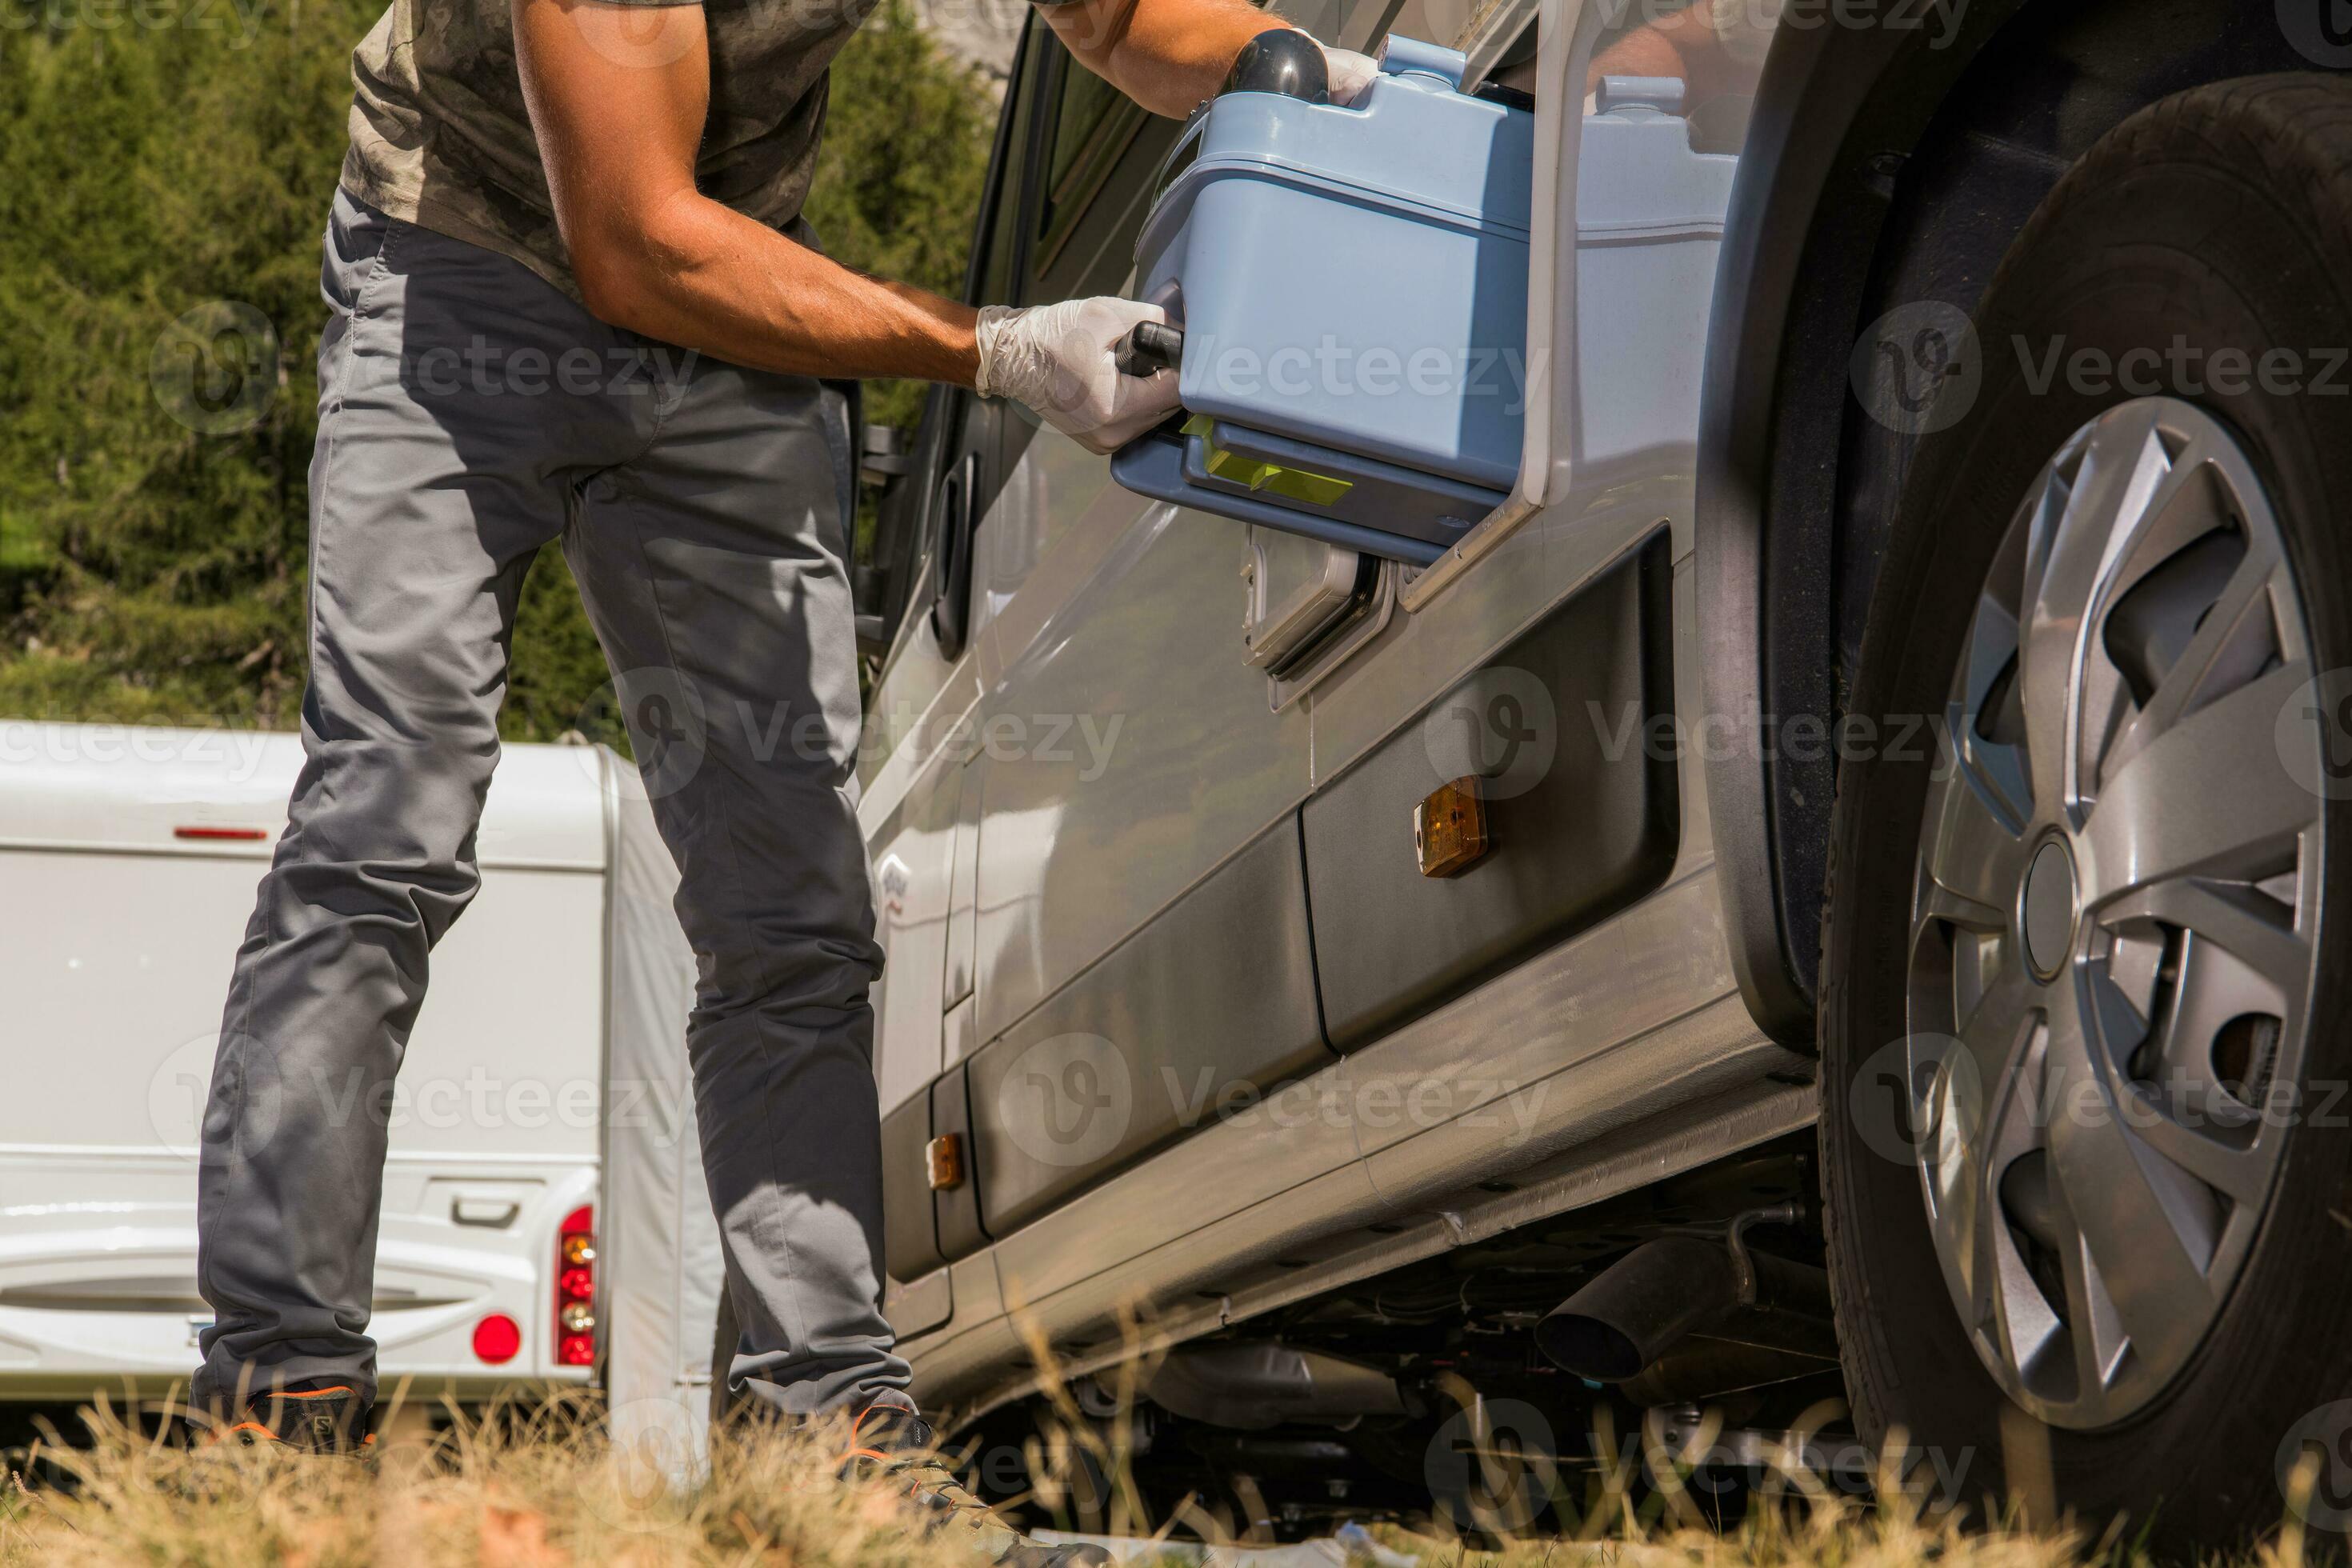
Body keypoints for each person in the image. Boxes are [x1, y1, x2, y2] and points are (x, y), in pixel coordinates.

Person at [188, 0, 1372, 1554]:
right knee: (381, 834)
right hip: (461, 271)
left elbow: (1120, 16)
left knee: (794, 911)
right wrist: (996, 349)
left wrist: (1338, 75)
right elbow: (636, 244)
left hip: (722, 313)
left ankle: (828, 1438)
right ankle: (280, 1408)